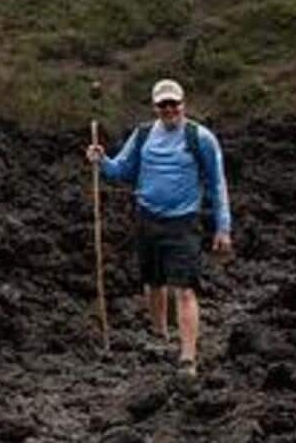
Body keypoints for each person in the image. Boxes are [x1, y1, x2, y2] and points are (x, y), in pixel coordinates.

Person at [85, 79, 232, 377]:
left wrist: (223, 227)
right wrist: (101, 160)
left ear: (183, 104)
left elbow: (217, 183)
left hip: (183, 222)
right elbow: (122, 170)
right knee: (153, 283)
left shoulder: (199, 137)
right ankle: (160, 337)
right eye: (163, 105)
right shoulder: (141, 136)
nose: (169, 110)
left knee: (186, 289)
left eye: (173, 104)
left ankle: (188, 357)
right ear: (155, 107)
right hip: (147, 218)